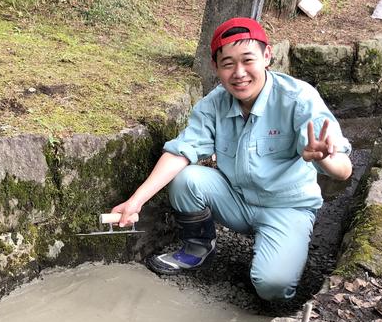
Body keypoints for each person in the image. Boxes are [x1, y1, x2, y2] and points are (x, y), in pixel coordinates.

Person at [112, 17, 352, 301]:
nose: (239, 73)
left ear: (267, 56)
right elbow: (180, 151)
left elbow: (344, 170)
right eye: (228, 64)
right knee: (185, 178)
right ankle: (198, 248)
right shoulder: (214, 104)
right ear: (215, 67)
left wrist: (324, 159)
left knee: (272, 287)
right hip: (235, 200)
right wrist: (136, 201)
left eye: (248, 60)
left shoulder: (298, 99)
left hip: (286, 208)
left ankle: (281, 253)